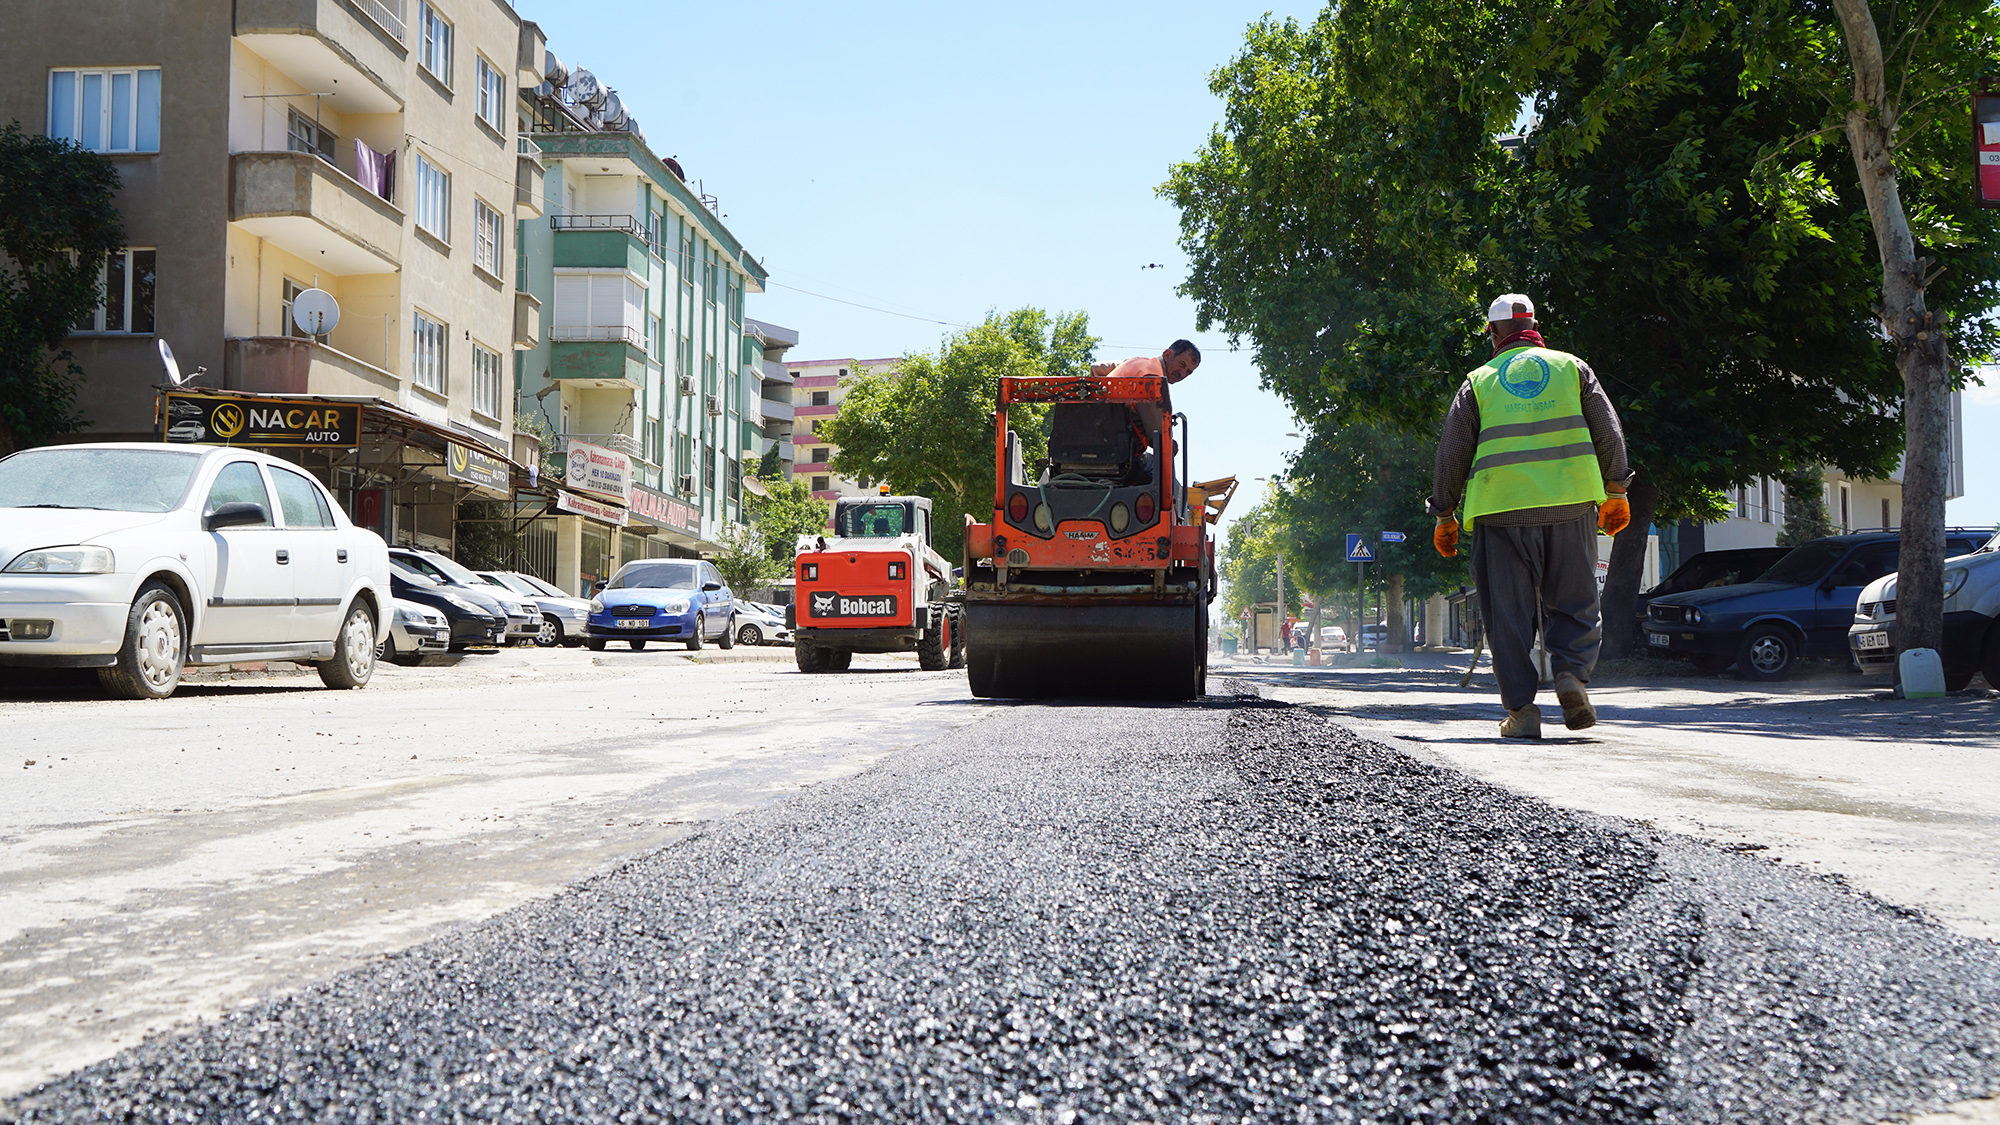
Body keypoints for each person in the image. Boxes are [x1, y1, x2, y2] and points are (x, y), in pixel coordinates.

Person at [1428, 294, 1632, 740]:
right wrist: (1616, 489)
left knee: (1508, 617)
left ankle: (1522, 713)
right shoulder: (1572, 368)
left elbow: (1452, 454)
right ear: (1534, 325)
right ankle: (1571, 677)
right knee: (1576, 603)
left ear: (1493, 333)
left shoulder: (1478, 382)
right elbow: (1609, 431)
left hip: (1500, 514)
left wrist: (1444, 513)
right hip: (1570, 506)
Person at [1087, 340, 1202, 485]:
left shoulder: (1133, 362)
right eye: (1182, 364)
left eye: (1188, 372)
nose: (1182, 374)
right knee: (1172, 485)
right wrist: (1172, 445)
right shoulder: (1152, 379)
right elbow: (1159, 438)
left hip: (1090, 443)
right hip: (1118, 455)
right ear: (1167, 354)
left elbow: (1096, 368)